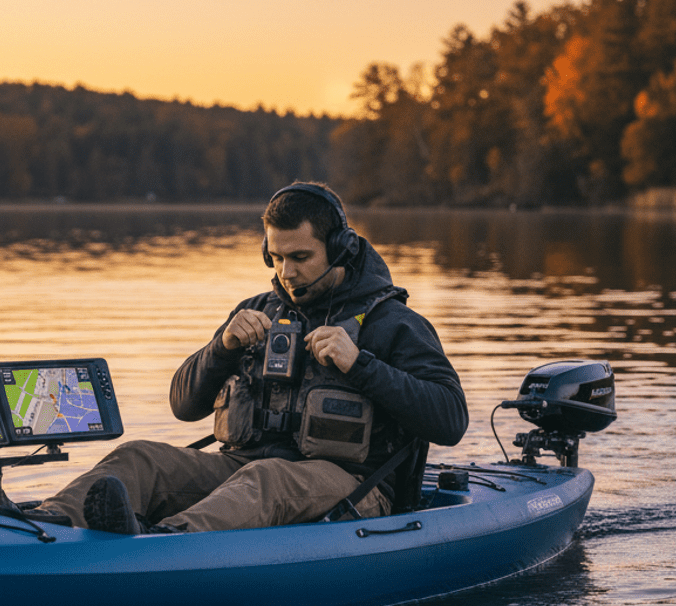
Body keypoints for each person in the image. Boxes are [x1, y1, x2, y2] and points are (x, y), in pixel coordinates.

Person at [25, 183, 467, 533]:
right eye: (275, 258)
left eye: (300, 257)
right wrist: (222, 349)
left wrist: (361, 364)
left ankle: (161, 542)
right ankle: (41, 526)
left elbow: (450, 420)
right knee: (139, 457)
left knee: (268, 478)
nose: (286, 273)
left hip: (355, 487)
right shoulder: (257, 310)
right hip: (243, 471)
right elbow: (183, 407)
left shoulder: (394, 323)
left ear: (341, 248)